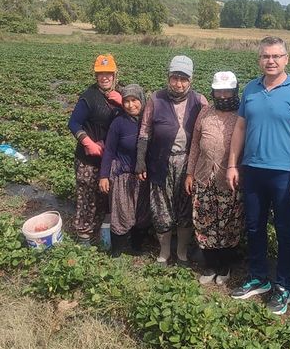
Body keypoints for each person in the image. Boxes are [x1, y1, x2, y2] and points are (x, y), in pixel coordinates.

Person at [227, 36, 290, 315]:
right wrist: (232, 164)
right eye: (266, 56)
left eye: (276, 56)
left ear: (287, 59)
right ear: (259, 59)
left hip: (285, 174)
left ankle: (283, 286)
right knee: (254, 227)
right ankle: (258, 278)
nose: (271, 61)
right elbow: (240, 129)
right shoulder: (251, 89)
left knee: (285, 231)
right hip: (253, 170)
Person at [136, 55, 207, 264]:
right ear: (168, 77)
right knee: (161, 209)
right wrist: (140, 159)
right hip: (160, 162)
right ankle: (165, 251)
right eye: (175, 78)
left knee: (185, 208)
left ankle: (182, 251)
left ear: (190, 80)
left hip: (188, 163)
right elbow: (144, 130)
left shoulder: (200, 101)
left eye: (183, 79)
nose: (179, 83)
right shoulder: (155, 99)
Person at [185, 71, 244, 285]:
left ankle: (224, 266)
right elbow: (194, 145)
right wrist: (190, 173)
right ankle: (209, 266)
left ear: (235, 91)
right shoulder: (205, 112)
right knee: (204, 221)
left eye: (227, 90)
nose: (223, 95)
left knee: (229, 223)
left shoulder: (241, 115)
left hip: (229, 178)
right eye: (218, 90)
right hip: (203, 175)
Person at [68, 54, 123, 245]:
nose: (105, 77)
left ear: (115, 74)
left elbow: (135, 117)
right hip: (89, 159)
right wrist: (87, 142)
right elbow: (73, 123)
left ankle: (103, 232)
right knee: (87, 196)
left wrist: (123, 104)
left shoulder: (122, 94)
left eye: (108, 73)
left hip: (111, 158)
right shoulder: (89, 97)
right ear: (95, 75)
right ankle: (84, 236)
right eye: (101, 73)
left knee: (105, 197)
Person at [99, 84, 150, 257]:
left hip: (143, 175)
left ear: (141, 100)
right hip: (123, 174)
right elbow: (109, 151)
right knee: (121, 213)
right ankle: (117, 251)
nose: (130, 105)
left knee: (142, 213)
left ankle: (136, 246)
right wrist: (104, 176)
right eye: (126, 101)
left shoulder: (148, 122)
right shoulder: (119, 123)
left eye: (134, 100)